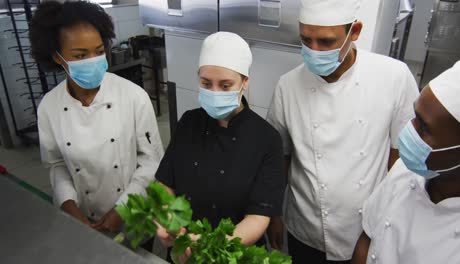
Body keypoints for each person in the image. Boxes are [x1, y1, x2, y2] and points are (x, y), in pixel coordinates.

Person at [266, 0, 419, 263]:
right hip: (305, 226)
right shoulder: (287, 86)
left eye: (326, 42)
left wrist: (387, 222)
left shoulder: (393, 77)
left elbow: (402, 158)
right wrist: (273, 214)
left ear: (355, 31)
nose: (314, 50)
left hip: (364, 227)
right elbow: (278, 157)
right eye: (306, 40)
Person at [31, 1, 164, 233]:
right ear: (57, 56)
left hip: (133, 213)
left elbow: (152, 161)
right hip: (82, 217)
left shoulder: (133, 97)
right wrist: (69, 205)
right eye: (80, 55)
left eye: (99, 51)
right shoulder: (49, 107)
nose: (93, 60)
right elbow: (57, 164)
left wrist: (122, 209)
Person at [154, 32, 286, 259]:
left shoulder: (267, 139)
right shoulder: (188, 122)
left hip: (236, 255)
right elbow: (164, 186)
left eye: (225, 86)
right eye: (206, 83)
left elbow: (258, 218)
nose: (214, 93)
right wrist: (166, 222)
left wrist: (210, 245)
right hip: (185, 253)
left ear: (245, 82)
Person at [351, 59, 460, 264]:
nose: (409, 130)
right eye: (414, 116)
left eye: (424, 128)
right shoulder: (405, 171)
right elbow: (367, 238)